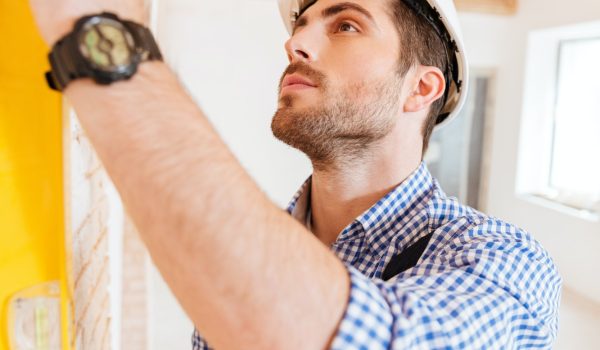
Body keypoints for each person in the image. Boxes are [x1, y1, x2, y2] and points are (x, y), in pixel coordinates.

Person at [28, 0, 561, 348]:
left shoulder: (505, 261)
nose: (295, 44)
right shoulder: (266, 245)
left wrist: (98, 36)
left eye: (346, 25)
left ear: (421, 89)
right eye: (301, 26)